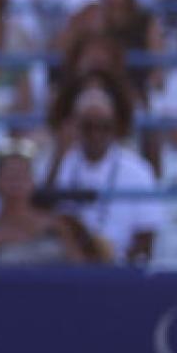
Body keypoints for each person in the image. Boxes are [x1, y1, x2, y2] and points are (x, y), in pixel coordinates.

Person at [44, 85, 160, 263]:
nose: (96, 134)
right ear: (76, 126)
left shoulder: (138, 170)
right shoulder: (63, 162)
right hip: (70, 265)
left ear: (115, 128)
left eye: (104, 127)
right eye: (88, 126)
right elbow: (44, 215)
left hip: (120, 268)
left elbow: (147, 233)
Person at [0, 142, 93, 266]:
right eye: (10, 176)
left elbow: (81, 270)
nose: (16, 182)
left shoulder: (57, 226)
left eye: (22, 175)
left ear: (32, 181)